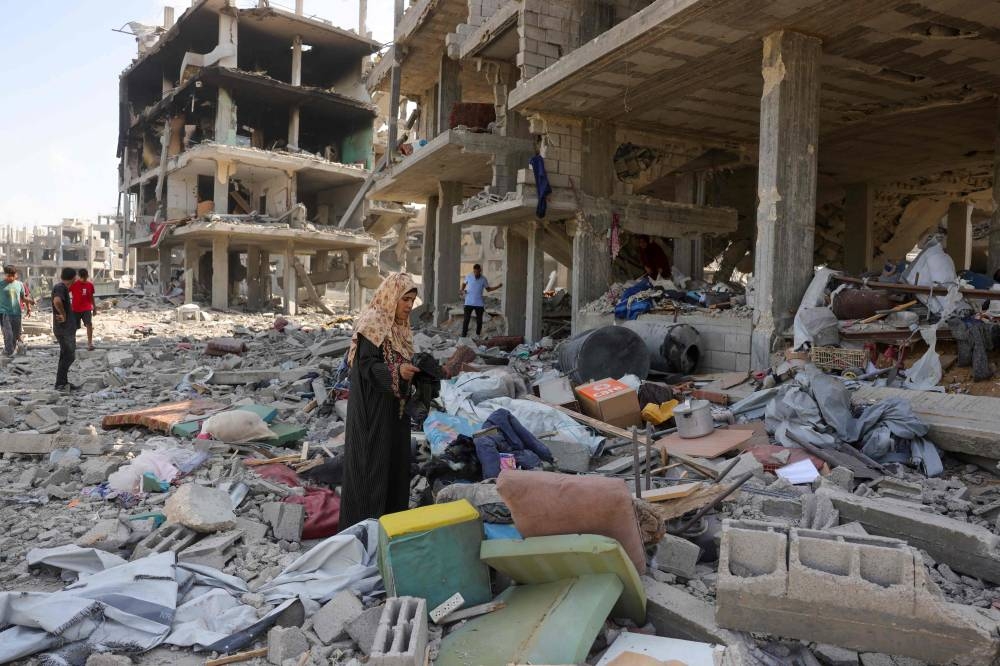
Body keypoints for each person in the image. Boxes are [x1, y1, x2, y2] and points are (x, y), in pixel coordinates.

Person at [340, 272, 421, 529]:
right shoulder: (372, 323)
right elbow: (366, 365)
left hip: (395, 411)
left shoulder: (400, 328)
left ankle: (391, 530)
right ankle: (364, 532)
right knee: (371, 468)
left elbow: (402, 360)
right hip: (372, 411)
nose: (409, 306)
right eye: (404, 299)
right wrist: (397, 372)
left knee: (395, 467)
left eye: (412, 300)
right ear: (391, 297)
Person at [52, 268, 78, 391]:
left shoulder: (62, 287)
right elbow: (57, 301)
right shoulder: (60, 287)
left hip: (64, 329)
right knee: (69, 356)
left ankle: (62, 382)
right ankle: (60, 383)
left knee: (65, 355)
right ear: (73, 278)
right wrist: (63, 314)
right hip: (63, 330)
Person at [459, 264, 502, 338]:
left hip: (479, 303)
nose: (476, 274)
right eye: (475, 272)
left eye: (477, 272)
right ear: (473, 271)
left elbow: (488, 289)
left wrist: (498, 286)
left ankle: (478, 335)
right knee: (466, 320)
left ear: (480, 271)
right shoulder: (469, 276)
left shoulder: (483, 279)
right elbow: (463, 284)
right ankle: (463, 336)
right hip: (468, 302)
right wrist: (462, 290)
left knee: (479, 321)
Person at [0, 266, 28, 357]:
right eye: (9, 276)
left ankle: (9, 351)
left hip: (17, 313)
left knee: (16, 335)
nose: (11, 278)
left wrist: (29, 306)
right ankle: (9, 352)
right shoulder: (1, 284)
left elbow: (23, 298)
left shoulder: (20, 284)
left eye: (13, 275)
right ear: (5, 275)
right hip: (4, 313)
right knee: (8, 334)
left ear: (15, 275)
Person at [70, 268, 97, 351]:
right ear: (79, 276)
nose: (84, 279)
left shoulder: (90, 285)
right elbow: (66, 292)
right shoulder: (74, 284)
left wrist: (94, 308)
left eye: (85, 277)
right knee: (73, 327)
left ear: (87, 276)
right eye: (83, 277)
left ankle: (90, 343)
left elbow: (91, 297)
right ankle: (72, 343)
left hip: (87, 308)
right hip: (75, 309)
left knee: (89, 324)